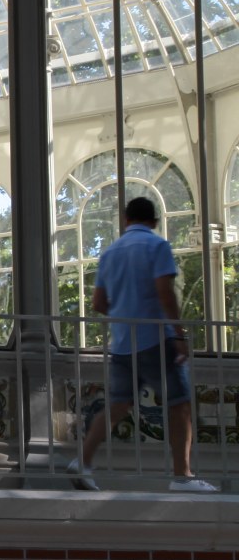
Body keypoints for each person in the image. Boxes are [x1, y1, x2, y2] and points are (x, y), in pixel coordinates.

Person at [68, 196, 217, 493]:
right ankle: (182, 476)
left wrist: (124, 315)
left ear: (126, 220)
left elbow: (98, 302)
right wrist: (178, 333)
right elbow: (164, 291)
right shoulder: (157, 246)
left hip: (123, 343)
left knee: (117, 405)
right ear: (154, 222)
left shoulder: (110, 253)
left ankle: (82, 461)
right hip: (154, 339)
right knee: (180, 404)